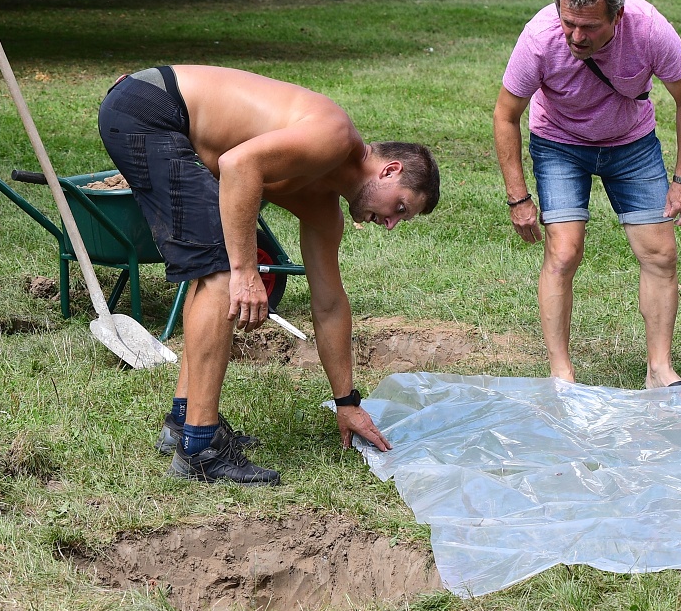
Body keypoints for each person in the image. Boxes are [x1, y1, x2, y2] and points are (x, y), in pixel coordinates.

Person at [98, 65, 439, 485]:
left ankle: (183, 423)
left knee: (212, 271)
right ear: (390, 171)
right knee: (224, 273)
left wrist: (347, 402)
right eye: (400, 208)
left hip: (154, 113)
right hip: (151, 107)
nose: (390, 223)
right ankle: (200, 450)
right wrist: (245, 271)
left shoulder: (323, 209)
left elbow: (329, 304)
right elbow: (238, 163)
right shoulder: (334, 136)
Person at [493, 0, 681, 387]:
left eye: (588, 27)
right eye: (568, 22)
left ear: (618, 16)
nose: (575, 35)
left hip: (631, 143)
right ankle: (561, 375)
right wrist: (518, 197)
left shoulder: (648, 29)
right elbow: (505, 114)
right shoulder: (539, 38)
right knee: (564, 252)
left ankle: (659, 370)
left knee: (661, 254)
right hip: (559, 144)